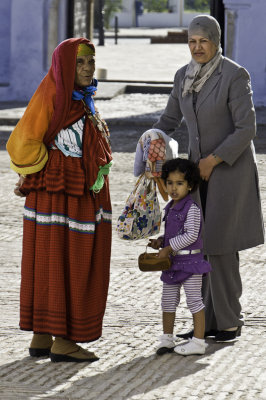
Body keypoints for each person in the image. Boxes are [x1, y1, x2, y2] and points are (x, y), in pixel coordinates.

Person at [153, 15, 264, 342]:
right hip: (199, 175)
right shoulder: (182, 77)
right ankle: (208, 321)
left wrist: (213, 160)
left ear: (216, 42)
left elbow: (247, 129)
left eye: (203, 41)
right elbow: (170, 118)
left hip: (230, 171)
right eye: (192, 41)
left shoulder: (234, 75)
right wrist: (152, 140)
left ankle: (229, 320)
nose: (197, 47)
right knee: (199, 244)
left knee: (222, 245)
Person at [6, 38, 112, 362]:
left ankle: (42, 335)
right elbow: (24, 139)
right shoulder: (53, 96)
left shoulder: (83, 101)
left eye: (90, 62)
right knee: (68, 258)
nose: (86, 68)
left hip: (58, 194)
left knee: (49, 257)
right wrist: (47, 166)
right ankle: (64, 339)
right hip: (66, 192)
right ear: (64, 66)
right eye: (79, 62)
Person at [149, 158, 211, 356]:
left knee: (194, 301)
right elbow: (174, 233)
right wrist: (161, 241)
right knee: (167, 301)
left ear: (190, 185)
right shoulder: (170, 207)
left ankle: (199, 342)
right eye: (170, 183)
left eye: (179, 183)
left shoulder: (191, 209)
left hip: (190, 263)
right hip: (173, 264)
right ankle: (167, 338)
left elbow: (192, 234)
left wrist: (168, 248)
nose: (173, 188)